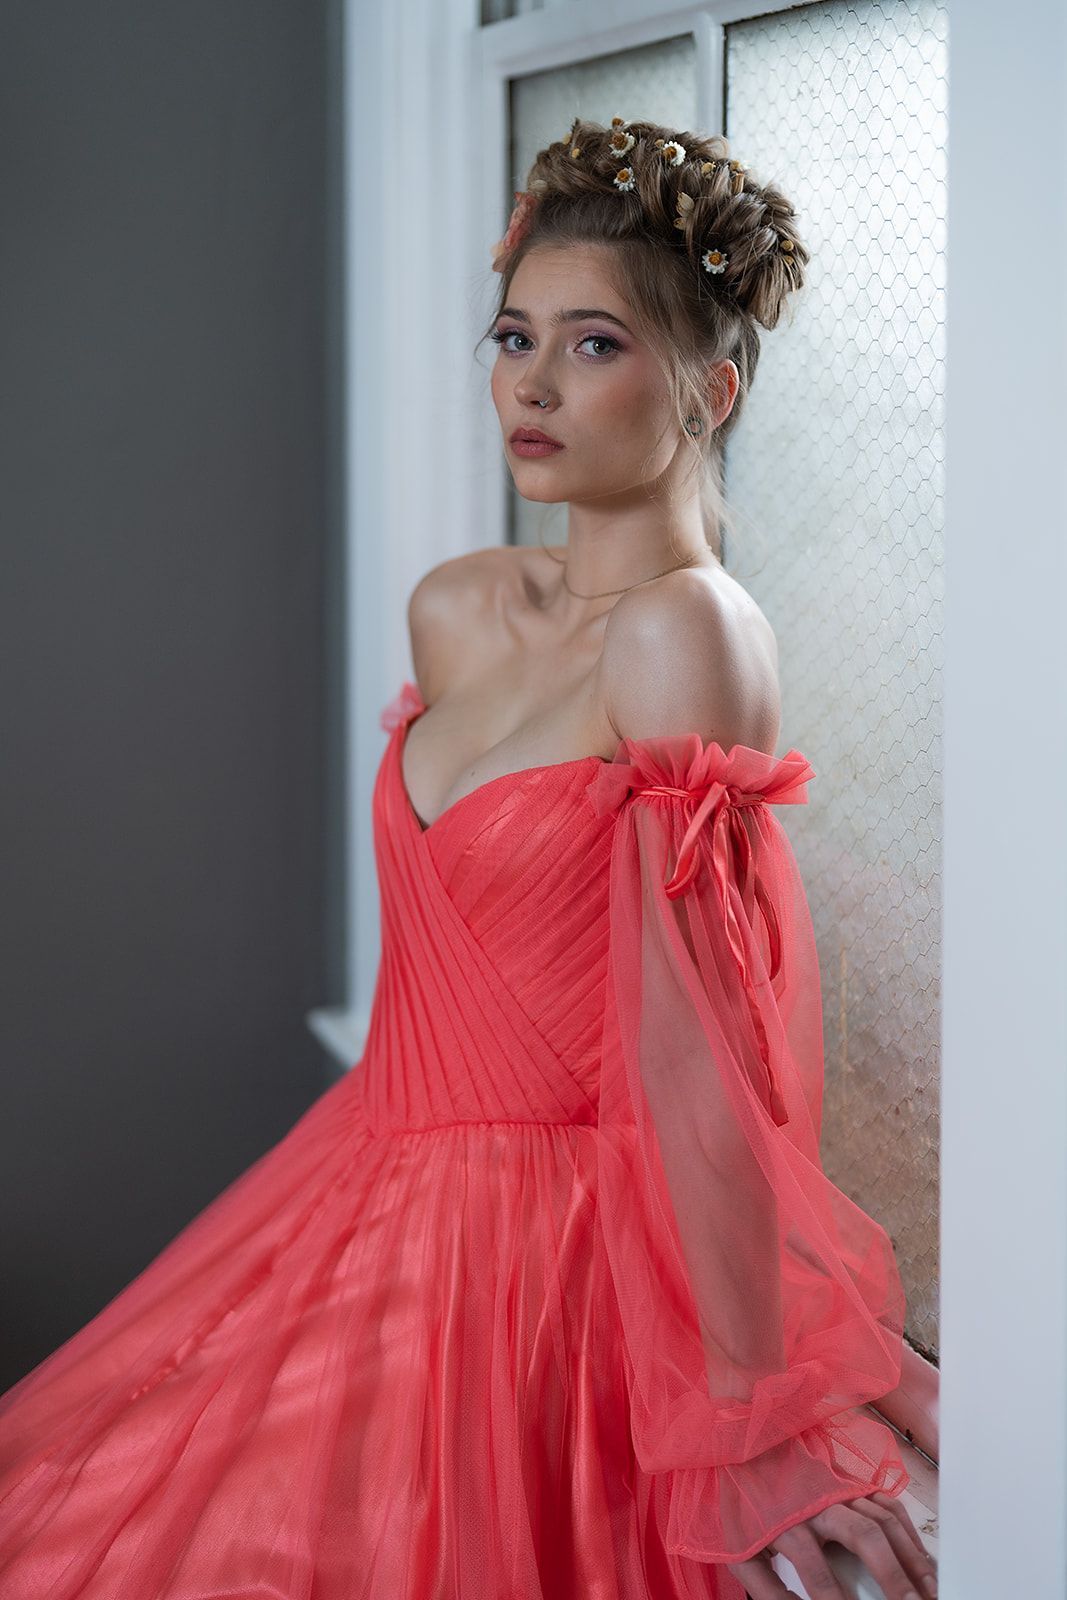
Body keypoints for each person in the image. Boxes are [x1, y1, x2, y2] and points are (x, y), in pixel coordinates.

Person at [0, 115, 938, 1600]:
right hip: (356, 1197)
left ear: (713, 390)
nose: (532, 382)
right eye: (514, 336)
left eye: (594, 346)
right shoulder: (460, 607)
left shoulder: (687, 634)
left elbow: (705, 1048)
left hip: (550, 1265)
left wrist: (751, 1414)